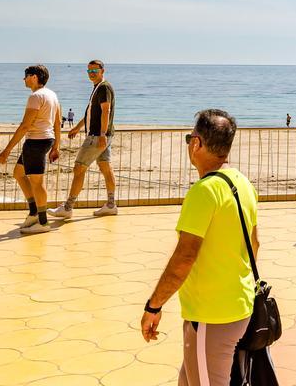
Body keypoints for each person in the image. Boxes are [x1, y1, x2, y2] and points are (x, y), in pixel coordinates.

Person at [141, 109, 258, 386]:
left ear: (197, 143)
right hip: (238, 304)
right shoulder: (242, 183)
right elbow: (254, 243)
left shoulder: (204, 191)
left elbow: (184, 257)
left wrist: (153, 306)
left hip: (212, 314)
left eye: (189, 139)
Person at [0, 64, 61, 234]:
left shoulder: (36, 97)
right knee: (18, 173)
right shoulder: (52, 95)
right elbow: (57, 123)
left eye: (25, 75)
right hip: (44, 140)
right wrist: (56, 145)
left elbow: (25, 126)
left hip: (36, 142)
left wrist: (7, 150)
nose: (23, 79)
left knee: (37, 182)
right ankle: (33, 212)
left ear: (34, 77)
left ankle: (43, 222)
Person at [50, 60, 118, 219]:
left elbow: (105, 111)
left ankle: (68, 207)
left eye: (95, 70)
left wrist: (101, 134)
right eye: (89, 71)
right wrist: (78, 127)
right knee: (106, 168)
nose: (92, 74)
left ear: (102, 70)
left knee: (79, 168)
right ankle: (111, 205)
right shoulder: (97, 88)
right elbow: (91, 112)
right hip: (103, 135)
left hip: (97, 136)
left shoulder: (104, 87)